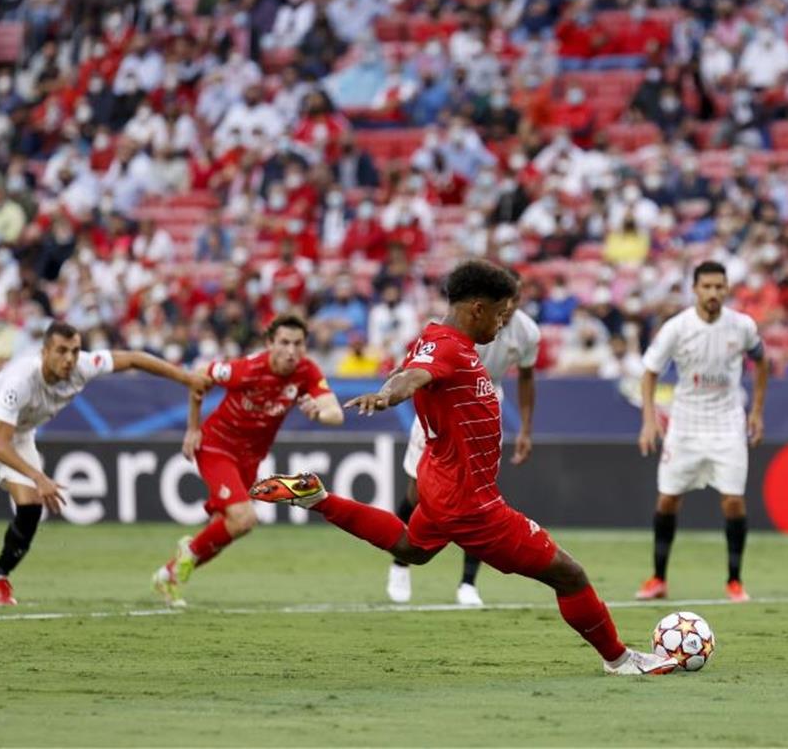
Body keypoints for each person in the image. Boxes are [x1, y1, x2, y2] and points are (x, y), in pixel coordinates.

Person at [252, 260, 675, 675]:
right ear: (477, 308)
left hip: (442, 478)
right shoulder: (450, 347)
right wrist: (385, 395)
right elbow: (413, 376)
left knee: (410, 547)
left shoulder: (438, 338)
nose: (501, 324)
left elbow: (417, 368)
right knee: (570, 575)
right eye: (500, 315)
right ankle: (619, 660)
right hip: (470, 502)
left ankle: (319, 498)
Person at [0, 321, 211, 605]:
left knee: (30, 506)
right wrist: (40, 477)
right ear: (44, 352)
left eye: (75, 351)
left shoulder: (84, 366)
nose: (69, 359)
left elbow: (135, 359)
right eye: (61, 351)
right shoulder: (20, 381)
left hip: (19, 434)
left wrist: (186, 378)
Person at [151, 315, 344, 607]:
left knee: (225, 528)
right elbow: (200, 376)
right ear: (270, 344)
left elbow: (336, 414)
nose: (291, 350)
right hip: (217, 445)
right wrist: (192, 428)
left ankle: (168, 576)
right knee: (245, 518)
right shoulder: (248, 369)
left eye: (298, 344)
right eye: (284, 343)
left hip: (250, 458)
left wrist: (317, 412)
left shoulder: (306, 371)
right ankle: (187, 553)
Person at [387, 279, 540, 607]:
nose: (509, 308)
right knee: (417, 493)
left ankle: (468, 583)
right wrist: (394, 387)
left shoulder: (527, 332)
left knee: (478, 495)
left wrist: (526, 429)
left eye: (514, 300)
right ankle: (400, 563)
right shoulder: (467, 322)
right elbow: (421, 361)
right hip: (442, 399)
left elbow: (527, 377)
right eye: (504, 301)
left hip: (483, 402)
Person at [635, 261, 769, 603]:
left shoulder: (742, 326)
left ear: (726, 289)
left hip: (727, 423)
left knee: (734, 501)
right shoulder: (676, 328)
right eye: (706, 287)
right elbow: (649, 372)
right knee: (668, 498)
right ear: (695, 289)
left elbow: (762, 360)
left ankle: (734, 581)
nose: (713, 293)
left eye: (719, 287)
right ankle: (658, 578)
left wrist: (756, 410)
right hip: (686, 424)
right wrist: (650, 421)